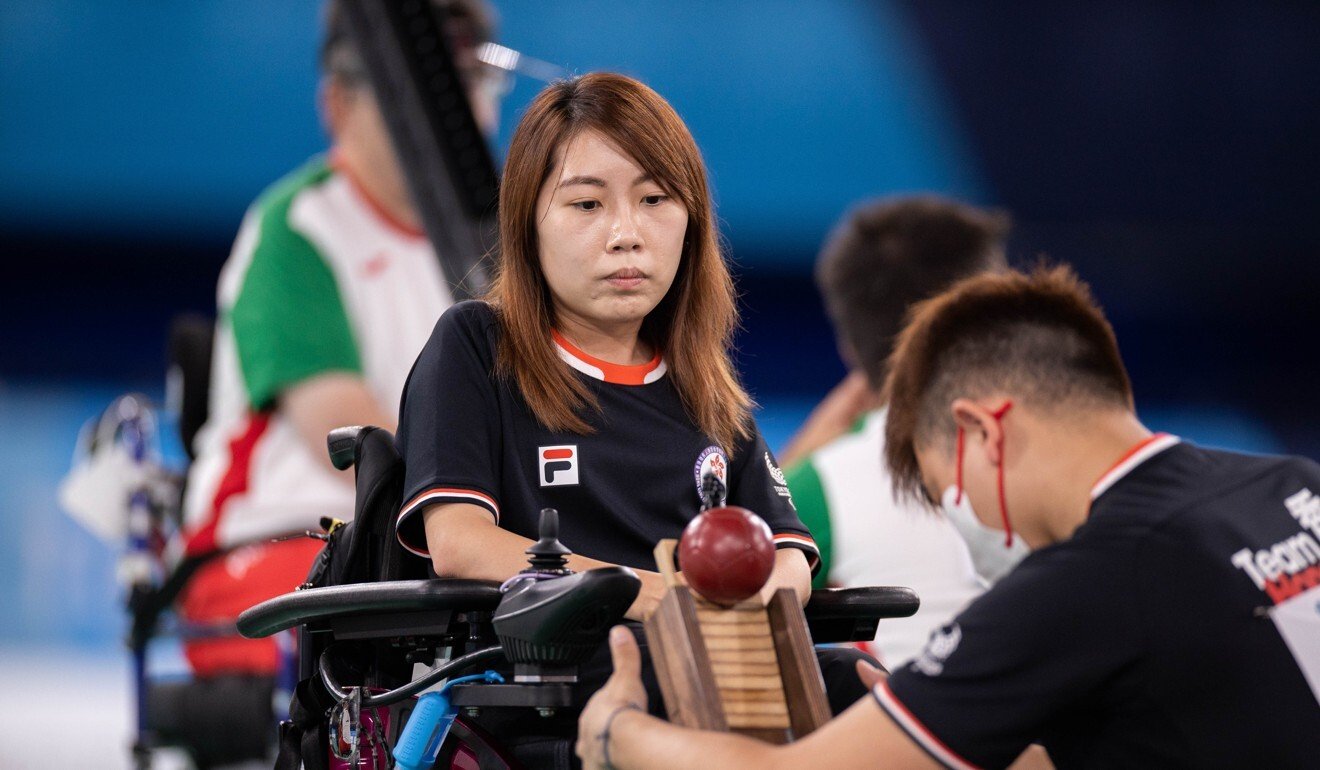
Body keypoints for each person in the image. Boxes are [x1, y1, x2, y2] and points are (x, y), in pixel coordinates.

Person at [577, 265, 1320, 769]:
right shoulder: (1291, 483)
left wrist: (622, 731)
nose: (960, 517)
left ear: (984, 431)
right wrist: (937, 720)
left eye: (941, 487)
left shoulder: (1087, 581)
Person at [393, 72, 876, 758]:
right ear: (527, 223)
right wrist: (661, 601)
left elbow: (788, 549)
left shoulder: (701, 381)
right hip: (547, 693)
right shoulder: (477, 345)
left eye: (655, 199)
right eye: (586, 204)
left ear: (693, 220)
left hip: (711, 675)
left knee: (869, 691)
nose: (626, 233)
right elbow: (460, 543)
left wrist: (761, 599)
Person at [178, 0, 502, 679]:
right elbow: (356, 449)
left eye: (472, 87)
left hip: (438, 544)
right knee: (382, 645)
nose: (454, 118)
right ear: (338, 106)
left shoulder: (513, 248)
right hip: (282, 542)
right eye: (415, 96)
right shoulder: (297, 231)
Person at [782, 197, 1026, 668]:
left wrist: (791, 469)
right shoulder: (1073, 442)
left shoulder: (819, 485)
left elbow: (733, 581)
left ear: (849, 348)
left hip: (905, 732)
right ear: (1004, 322)